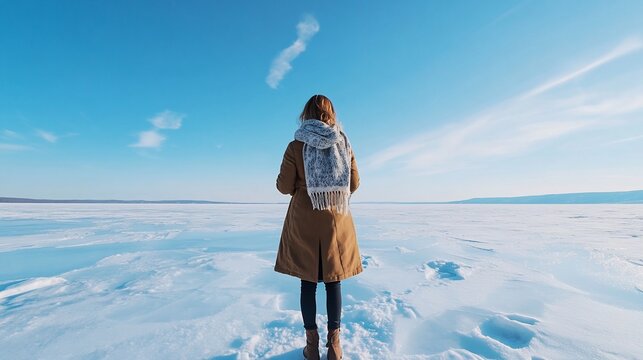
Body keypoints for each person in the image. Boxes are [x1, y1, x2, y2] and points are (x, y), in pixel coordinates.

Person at [274, 94, 362, 360]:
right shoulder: (343, 143)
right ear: (331, 113)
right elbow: (354, 184)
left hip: (304, 220)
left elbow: (283, 186)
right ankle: (334, 347)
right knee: (333, 283)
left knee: (308, 283)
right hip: (336, 218)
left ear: (306, 114)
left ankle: (312, 347)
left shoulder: (296, 145)